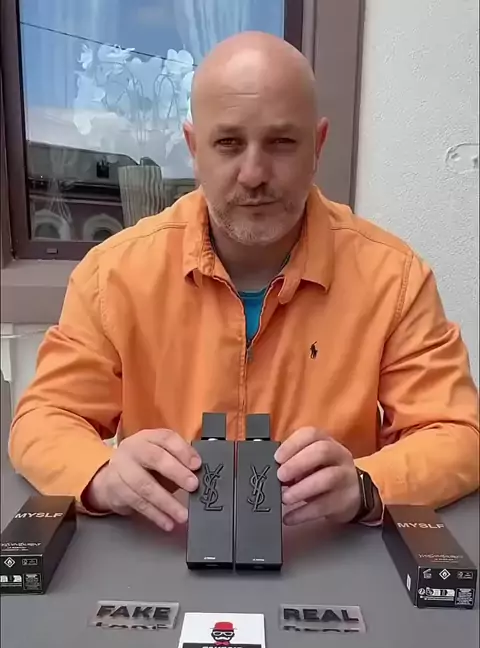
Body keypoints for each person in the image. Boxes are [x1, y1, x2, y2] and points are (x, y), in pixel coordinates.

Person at [8, 32, 479, 533]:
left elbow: (458, 435)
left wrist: (367, 485)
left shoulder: (393, 277)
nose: (254, 173)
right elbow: (44, 418)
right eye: (229, 143)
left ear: (317, 146)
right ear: (194, 148)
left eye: (282, 142)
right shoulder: (113, 274)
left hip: (327, 551)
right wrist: (102, 475)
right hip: (165, 544)